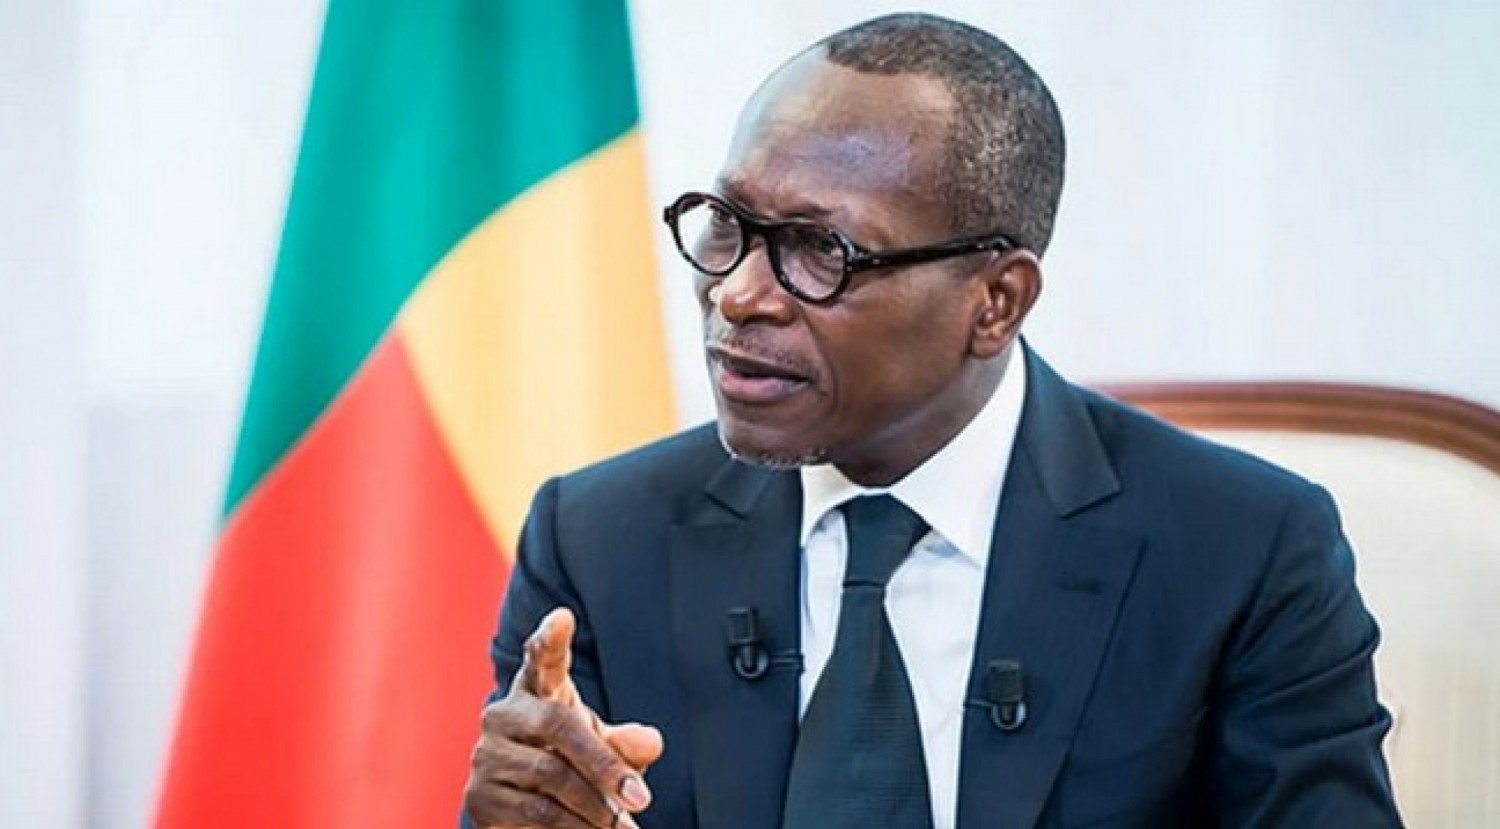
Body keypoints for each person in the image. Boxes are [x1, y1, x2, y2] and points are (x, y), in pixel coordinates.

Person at [462, 12, 1400, 829]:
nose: (738, 293)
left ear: (996, 302)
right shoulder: (598, 540)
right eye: (727, 222)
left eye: (820, 249)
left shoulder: (1242, 551)